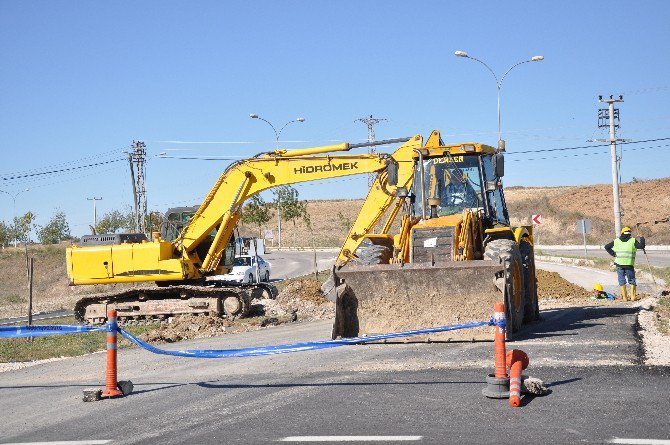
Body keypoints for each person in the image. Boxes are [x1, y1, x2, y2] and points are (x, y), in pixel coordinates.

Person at [604, 226, 645, 301]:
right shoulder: (633, 240)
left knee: (621, 280)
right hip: (629, 264)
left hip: (619, 264)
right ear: (629, 233)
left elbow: (606, 247)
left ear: (622, 233)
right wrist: (642, 238)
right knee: (632, 279)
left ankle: (625, 298)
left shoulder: (616, 241)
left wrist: (613, 254)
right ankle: (633, 297)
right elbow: (642, 246)